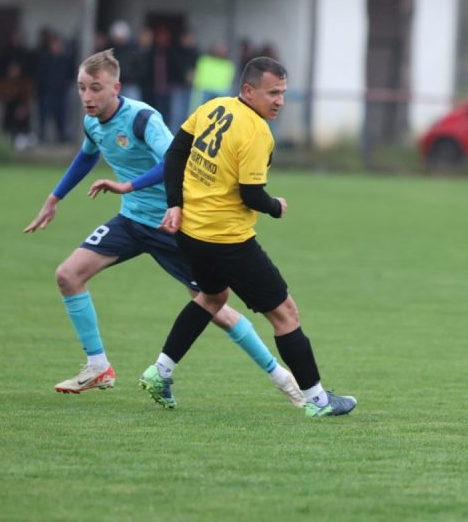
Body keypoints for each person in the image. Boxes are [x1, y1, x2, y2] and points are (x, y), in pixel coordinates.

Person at [24, 49, 303, 407]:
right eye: (81, 88)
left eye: (95, 88)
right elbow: (87, 155)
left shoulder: (142, 119)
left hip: (173, 224)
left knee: (215, 306)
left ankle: (282, 378)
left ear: (116, 88)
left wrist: (129, 185)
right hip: (131, 221)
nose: (87, 97)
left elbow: (175, 159)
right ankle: (98, 367)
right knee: (68, 275)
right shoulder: (91, 122)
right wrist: (55, 197)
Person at [140, 56, 357, 418]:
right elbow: (251, 195)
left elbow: (176, 153)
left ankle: (159, 371)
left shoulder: (213, 107)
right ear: (248, 90)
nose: (279, 101)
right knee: (285, 314)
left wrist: (175, 204)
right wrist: (276, 206)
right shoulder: (257, 132)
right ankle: (318, 401)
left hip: (191, 233)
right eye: (272, 93)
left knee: (212, 297)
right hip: (227, 240)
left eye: (283, 93)